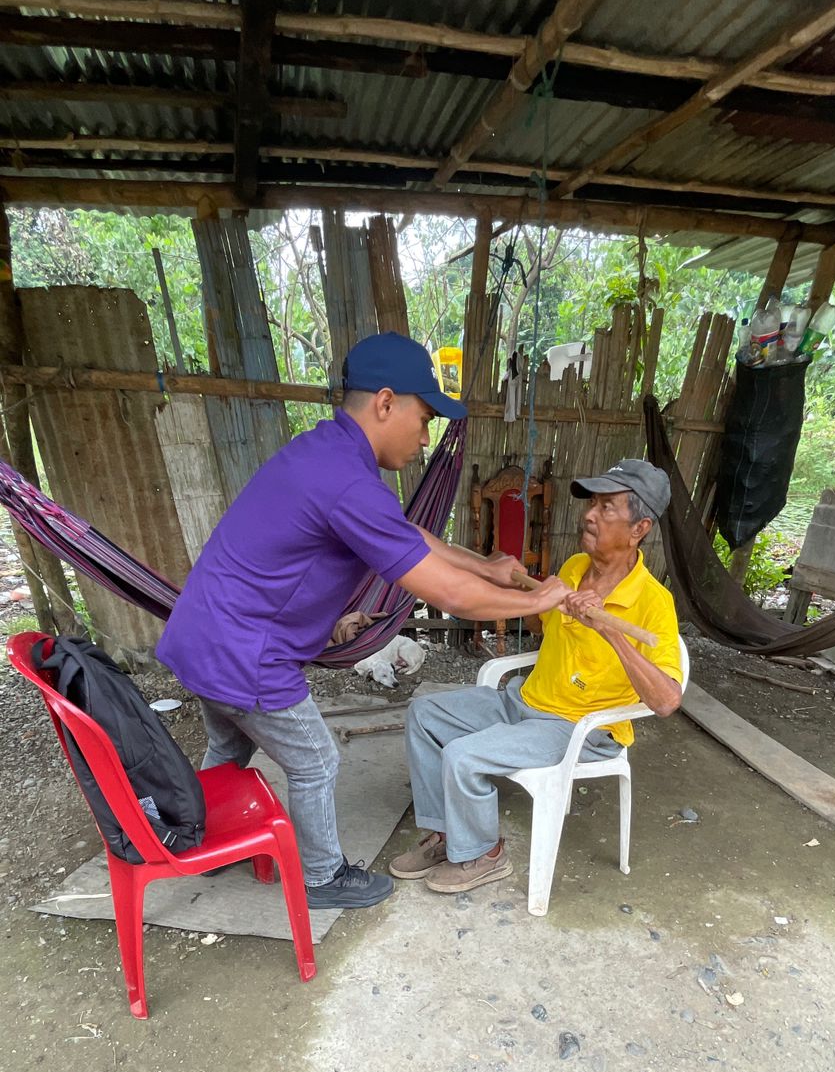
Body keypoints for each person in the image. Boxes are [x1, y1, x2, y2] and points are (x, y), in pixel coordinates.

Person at [157, 332, 569, 909]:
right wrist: (539, 601)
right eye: (423, 420)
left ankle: (200, 839)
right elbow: (452, 595)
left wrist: (486, 566)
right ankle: (323, 878)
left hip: (201, 636)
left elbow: (406, 534)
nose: (424, 438)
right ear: (385, 402)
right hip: (247, 653)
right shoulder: (346, 481)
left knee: (230, 744)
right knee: (316, 760)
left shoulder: (327, 453)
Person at [390, 459, 683, 894]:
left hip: (577, 728)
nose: (589, 515)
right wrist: (523, 589)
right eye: (592, 504)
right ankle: (448, 834)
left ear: (639, 528)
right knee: (424, 714)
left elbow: (666, 701)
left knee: (462, 755)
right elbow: (539, 619)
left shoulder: (654, 603)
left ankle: (485, 855)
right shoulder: (574, 567)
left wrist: (608, 631)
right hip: (523, 701)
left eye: (606, 508)